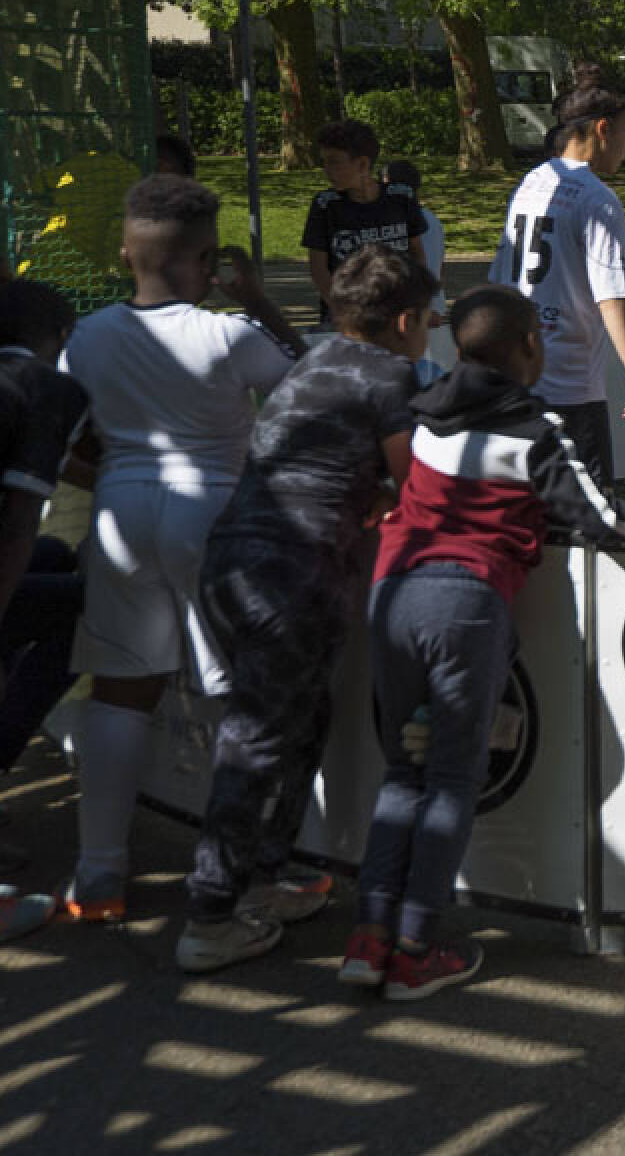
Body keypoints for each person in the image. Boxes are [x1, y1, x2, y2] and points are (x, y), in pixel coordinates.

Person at [339, 285, 625, 999]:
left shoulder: (425, 417)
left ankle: (370, 937)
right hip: (464, 604)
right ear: (531, 346)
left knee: (404, 773)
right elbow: (604, 519)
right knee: (452, 777)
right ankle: (414, 948)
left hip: (392, 593)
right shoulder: (534, 432)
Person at [175, 250, 436, 973]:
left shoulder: (316, 360)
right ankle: (210, 913)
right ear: (406, 323)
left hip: (232, 562)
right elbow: (416, 480)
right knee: (258, 739)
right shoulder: (392, 374)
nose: (431, 331)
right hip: (293, 577)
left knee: (299, 719)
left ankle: (266, 872)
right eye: (429, 319)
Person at [60, 176, 304, 922]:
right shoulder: (228, 335)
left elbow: (60, 438)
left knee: (119, 692)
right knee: (238, 697)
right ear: (207, 259)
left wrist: (113, 480)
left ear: (124, 252)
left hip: (120, 515)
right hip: (214, 513)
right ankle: (248, 873)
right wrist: (258, 300)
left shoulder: (86, 337)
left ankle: (99, 877)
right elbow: (314, 385)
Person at [0, 282, 89, 944]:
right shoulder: (49, 388)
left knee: (52, 556)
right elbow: (17, 522)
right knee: (81, 610)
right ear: (63, 338)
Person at [489, 84, 625, 486]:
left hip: (521, 371)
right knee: (590, 500)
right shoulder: (599, 199)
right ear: (603, 129)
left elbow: (501, 277)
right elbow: (610, 295)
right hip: (572, 382)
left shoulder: (529, 183)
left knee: (533, 496)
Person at [303, 120, 428, 317]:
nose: (326, 169)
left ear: (363, 164)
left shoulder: (401, 197)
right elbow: (318, 270)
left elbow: (417, 254)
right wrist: (345, 312)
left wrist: (415, 301)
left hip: (396, 314)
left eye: (334, 162)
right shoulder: (325, 205)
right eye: (324, 161)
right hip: (347, 317)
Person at [385, 160, 447, 322]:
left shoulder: (395, 223)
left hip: (412, 315)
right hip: (435, 309)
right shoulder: (432, 219)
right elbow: (440, 270)